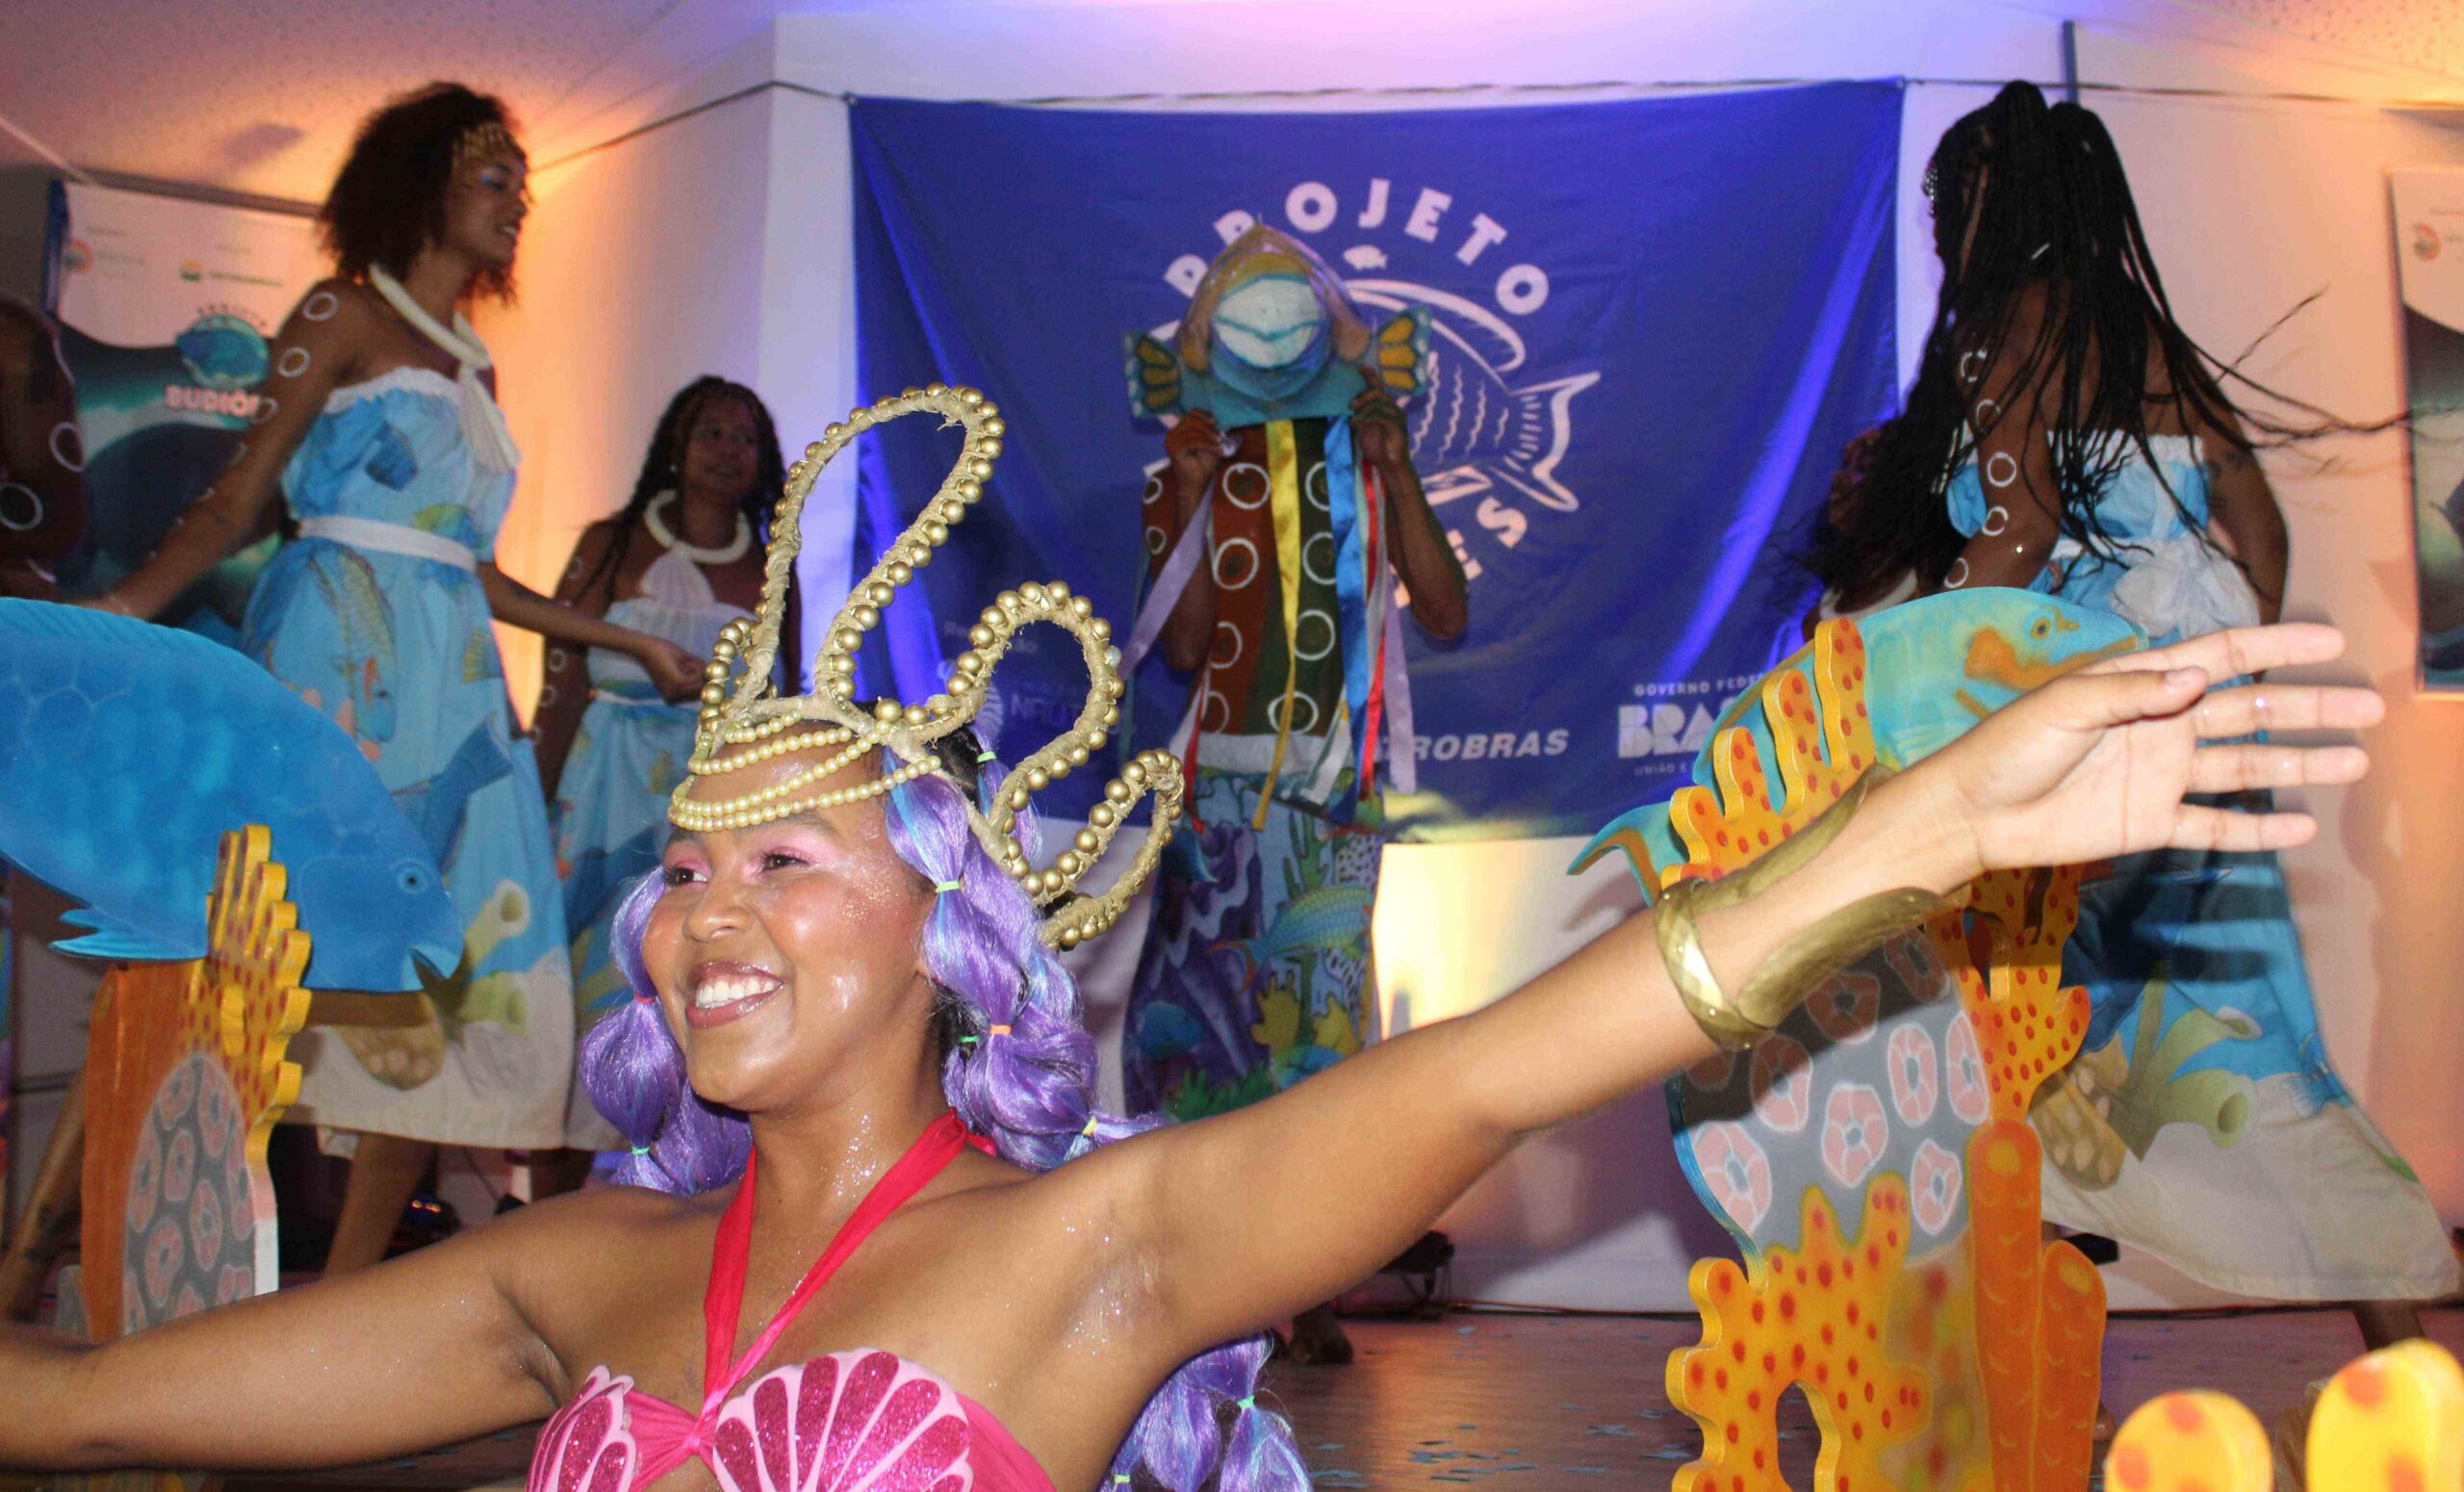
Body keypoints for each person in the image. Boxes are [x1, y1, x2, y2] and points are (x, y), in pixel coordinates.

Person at [0, 381, 2378, 1492]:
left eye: (788, 860)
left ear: (950, 935)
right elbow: (89, 1402)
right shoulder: (574, 1275)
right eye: (688, 861)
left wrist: (1913, 825)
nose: (703, 911)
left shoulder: (1099, 1249)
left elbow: (1493, 1072)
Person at [1802, 80, 2457, 1464]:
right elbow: (2260, 534)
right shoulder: (2139, 327)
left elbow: (2014, 553)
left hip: (2086, 758)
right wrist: (2204, 661)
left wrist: (1910, 668)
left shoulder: (2012, 327)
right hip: (2192, 757)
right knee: (2249, 1062)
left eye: (1946, 203)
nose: (1936, 228)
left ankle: (2048, 1387)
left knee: (2020, 1065)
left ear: (1989, 203)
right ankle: (2407, 1361)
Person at [80, 83, 704, 1274]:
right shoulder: (344, 313)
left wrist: (625, 641)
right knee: (280, 947)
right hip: (339, 657)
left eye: (521, 183)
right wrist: (117, 615)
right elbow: (236, 497)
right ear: (423, 181)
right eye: (493, 177)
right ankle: (197, 1258)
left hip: (455, 680)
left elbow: (474, 570)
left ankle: (343, 1294)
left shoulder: (479, 370)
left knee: (456, 966)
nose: (517, 201)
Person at [1122, 227, 1469, 1363]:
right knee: (1200, 1048)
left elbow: (1446, 608)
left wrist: (1399, 465)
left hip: (1331, 790)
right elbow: (1179, 643)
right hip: (1219, 789)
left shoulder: (1366, 464)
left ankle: (1309, 1285)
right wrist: (1183, 494)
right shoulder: (1184, 463)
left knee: (1321, 1048)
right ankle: (1192, 1294)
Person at [530, 376, 782, 1181]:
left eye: (744, 439)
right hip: (596, 790)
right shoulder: (610, 541)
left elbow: (780, 694)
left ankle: (670, 1207)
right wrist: (536, 798)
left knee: (675, 979)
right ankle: (545, 1208)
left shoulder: (775, 563)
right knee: (577, 991)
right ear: (675, 442)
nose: (726, 452)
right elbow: (561, 676)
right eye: (710, 432)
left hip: (706, 804)